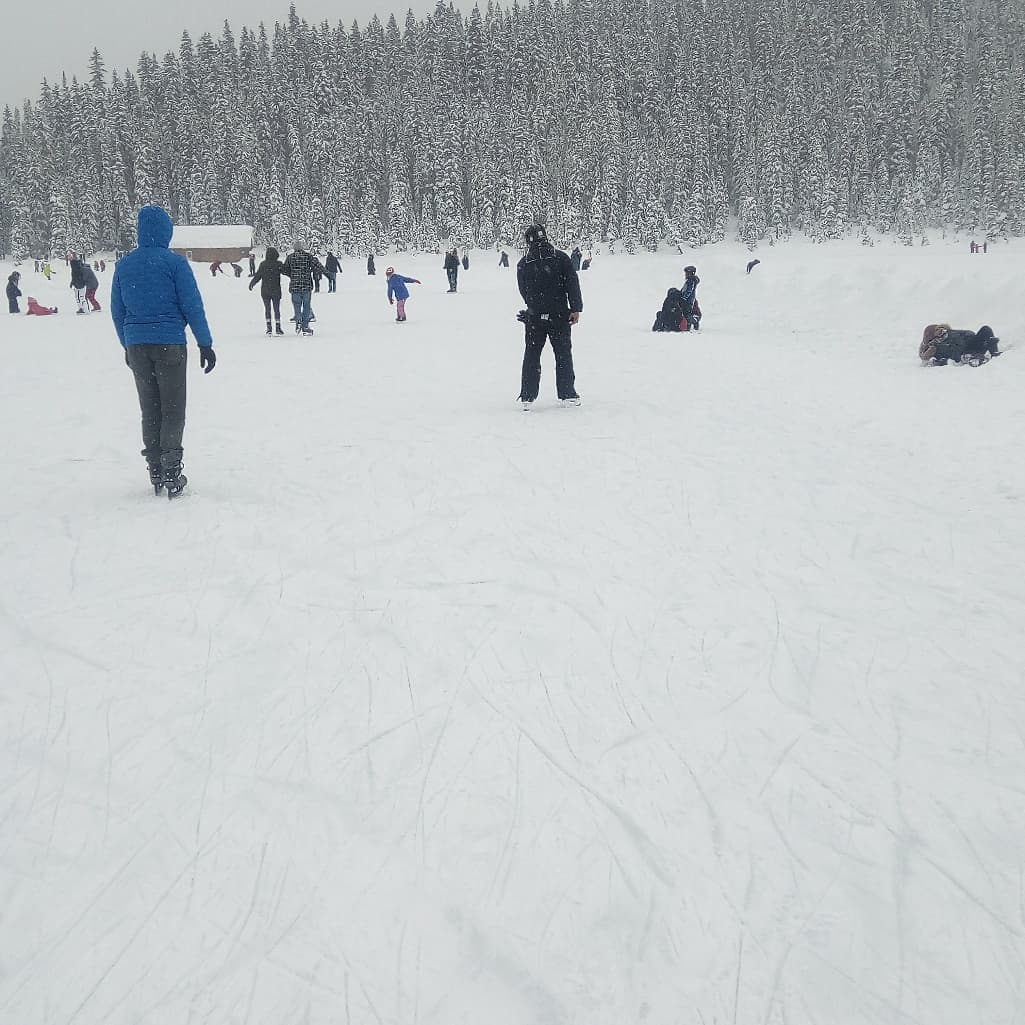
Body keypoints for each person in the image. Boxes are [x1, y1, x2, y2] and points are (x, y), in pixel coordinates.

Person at [111, 204, 215, 498]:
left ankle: (155, 467)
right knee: (172, 409)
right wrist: (204, 343)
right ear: (166, 232)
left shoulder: (125, 265)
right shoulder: (174, 264)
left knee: (150, 408)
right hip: (170, 344)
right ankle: (171, 469)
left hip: (137, 345)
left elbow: (117, 311)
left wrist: (128, 344)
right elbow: (192, 305)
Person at [516, 224, 583, 409]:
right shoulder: (560, 258)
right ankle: (567, 394)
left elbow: (523, 291)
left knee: (531, 355)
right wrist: (575, 308)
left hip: (535, 317)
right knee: (562, 355)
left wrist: (534, 306)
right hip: (559, 315)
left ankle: (527, 397)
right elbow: (572, 284)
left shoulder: (523, 263)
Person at [281, 239, 326, 336]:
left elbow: (284, 270)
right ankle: (305, 326)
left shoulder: (290, 257)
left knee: (296, 306)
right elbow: (317, 265)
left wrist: (292, 275)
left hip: (295, 286)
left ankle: (298, 322)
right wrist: (322, 272)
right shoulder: (308, 256)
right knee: (306, 306)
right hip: (306, 285)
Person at [919, 324, 1001, 366]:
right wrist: (957, 338)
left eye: (940, 328)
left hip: (972, 343)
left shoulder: (949, 332)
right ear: (932, 336)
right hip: (967, 352)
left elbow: (968, 332)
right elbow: (956, 352)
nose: (941, 331)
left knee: (986, 329)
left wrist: (969, 337)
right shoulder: (938, 347)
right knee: (972, 354)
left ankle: (994, 352)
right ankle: (978, 358)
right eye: (937, 330)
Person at [249, 247, 286, 335]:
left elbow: (258, 276)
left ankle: (269, 328)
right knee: (276, 309)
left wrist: (252, 284)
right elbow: (286, 272)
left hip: (265, 290)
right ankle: (278, 327)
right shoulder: (278, 264)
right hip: (276, 289)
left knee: (267, 308)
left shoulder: (263, 264)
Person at [681, 265, 700, 330]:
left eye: (687, 273)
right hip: (687, 300)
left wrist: (684, 298)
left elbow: (689, 291)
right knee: (685, 312)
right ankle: (688, 324)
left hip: (688, 301)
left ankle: (693, 322)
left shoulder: (691, 281)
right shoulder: (689, 281)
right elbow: (684, 289)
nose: (685, 275)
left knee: (687, 313)